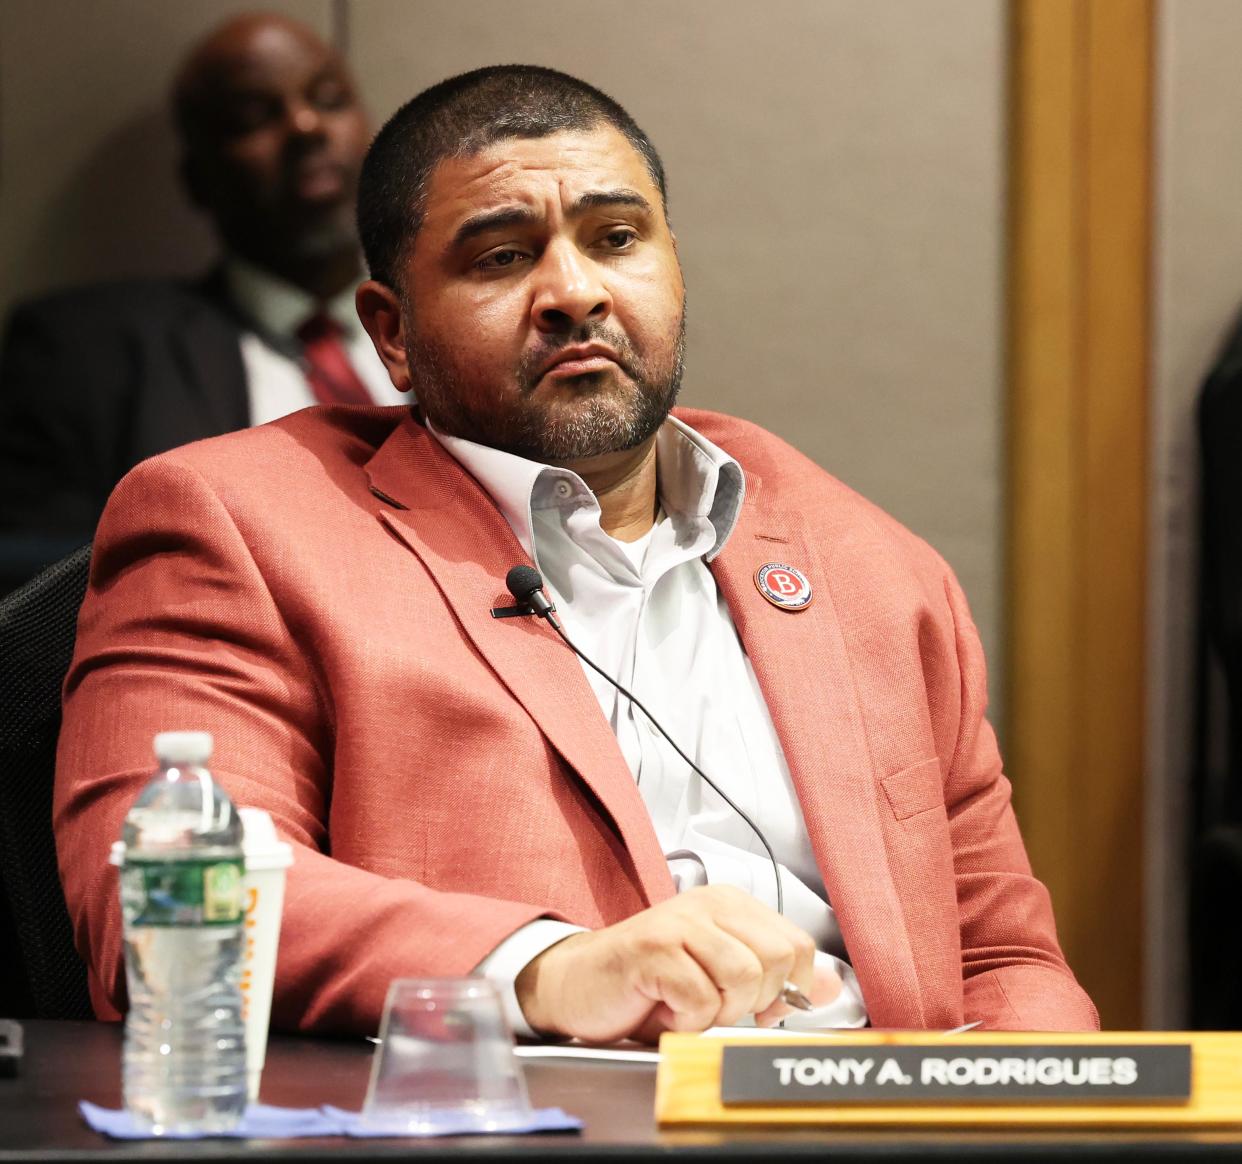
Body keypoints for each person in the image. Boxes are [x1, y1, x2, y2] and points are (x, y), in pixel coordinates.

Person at [54, 65, 1098, 1041]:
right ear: (393, 333)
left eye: (616, 239)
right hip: (535, 1120)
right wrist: (549, 971)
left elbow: (1005, 956)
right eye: (504, 256)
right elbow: (165, 896)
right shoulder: (235, 523)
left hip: (874, 1123)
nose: (577, 293)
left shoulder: (870, 565)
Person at [0, 13, 404, 582]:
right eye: (253, 117)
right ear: (196, 178)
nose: (306, 126)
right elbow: (38, 591)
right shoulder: (88, 355)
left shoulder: (462, 324)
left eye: (330, 98)